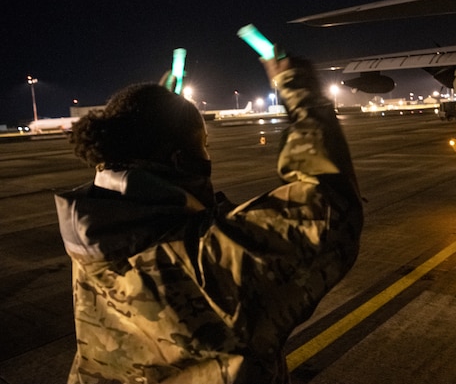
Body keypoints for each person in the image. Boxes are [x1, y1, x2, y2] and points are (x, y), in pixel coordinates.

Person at [55, 52, 363, 384]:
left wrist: (160, 111)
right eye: (203, 146)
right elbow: (328, 207)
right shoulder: (205, 265)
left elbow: (137, 164)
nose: (207, 155)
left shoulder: (95, 236)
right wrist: (304, 98)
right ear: (179, 161)